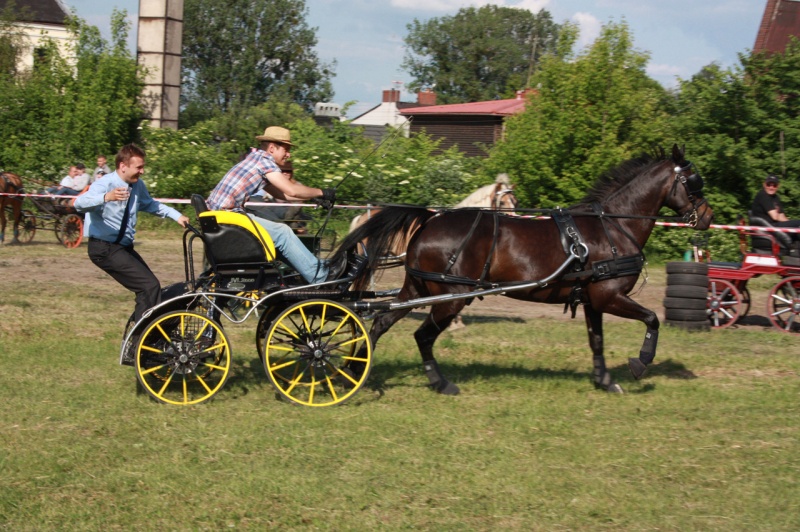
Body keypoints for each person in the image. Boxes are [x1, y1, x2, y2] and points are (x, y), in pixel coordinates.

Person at [74, 144, 189, 333]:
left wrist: (176, 216)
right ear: (123, 166)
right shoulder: (105, 184)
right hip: (104, 248)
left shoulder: (137, 185)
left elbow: (150, 204)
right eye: (139, 167)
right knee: (148, 287)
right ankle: (140, 340)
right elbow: (79, 203)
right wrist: (106, 197)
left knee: (151, 287)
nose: (142, 171)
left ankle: (152, 335)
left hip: (122, 248)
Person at [205, 126, 342, 284]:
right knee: (283, 232)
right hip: (227, 218)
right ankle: (320, 276)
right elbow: (291, 190)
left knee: (277, 235)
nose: (289, 154)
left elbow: (282, 194)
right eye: (286, 149)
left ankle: (312, 269)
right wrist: (322, 192)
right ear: (271, 148)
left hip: (219, 218)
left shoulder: (255, 160)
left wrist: (313, 197)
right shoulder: (265, 163)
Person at [751, 174, 800, 245]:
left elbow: (782, 216)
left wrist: (790, 223)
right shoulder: (763, 195)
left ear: (778, 186)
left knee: (796, 227)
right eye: (769, 185)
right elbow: (775, 217)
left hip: (775, 225)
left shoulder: (775, 197)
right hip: (768, 227)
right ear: (764, 185)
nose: (771, 187)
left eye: (774, 185)